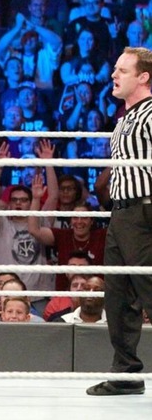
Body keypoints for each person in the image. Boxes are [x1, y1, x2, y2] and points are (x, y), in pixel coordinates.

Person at [87, 47, 152, 397]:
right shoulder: (125, 118)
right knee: (118, 297)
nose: (113, 75)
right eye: (115, 69)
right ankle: (126, 373)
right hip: (122, 213)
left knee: (149, 289)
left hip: (144, 211)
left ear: (143, 77)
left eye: (122, 71)